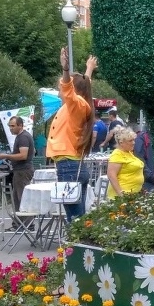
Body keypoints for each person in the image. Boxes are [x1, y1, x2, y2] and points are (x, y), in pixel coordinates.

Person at [47, 48, 98, 222]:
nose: (60, 90)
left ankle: (75, 248)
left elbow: (71, 90)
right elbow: (85, 84)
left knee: (74, 220)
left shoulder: (77, 105)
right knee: (79, 218)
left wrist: (66, 71)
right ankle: (81, 247)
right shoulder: (78, 105)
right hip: (74, 165)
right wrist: (88, 69)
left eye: (60, 88)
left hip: (69, 166)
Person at [0, 115, 35, 216]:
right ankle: (19, 224)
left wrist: (6, 156)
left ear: (20, 125)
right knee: (17, 198)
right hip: (20, 170)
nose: (11, 128)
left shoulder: (23, 137)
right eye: (9, 126)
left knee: (22, 198)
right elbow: (33, 151)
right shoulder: (21, 136)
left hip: (23, 171)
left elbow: (23, 155)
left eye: (13, 126)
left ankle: (27, 225)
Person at [105, 127, 145, 198]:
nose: (133, 143)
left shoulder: (129, 152)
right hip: (122, 196)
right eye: (130, 141)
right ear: (121, 142)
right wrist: (121, 194)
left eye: (133, 140)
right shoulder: (117, 154)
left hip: (133, 194)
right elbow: (111, 175)